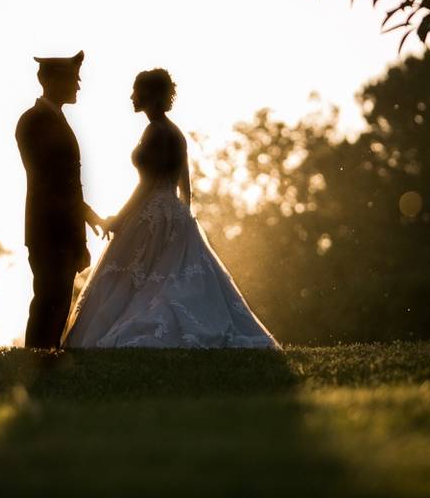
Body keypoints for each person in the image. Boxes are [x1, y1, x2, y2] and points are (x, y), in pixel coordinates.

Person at [62, 68, 281, 349]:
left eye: (136, 91)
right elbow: (185, 186)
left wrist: (118, 219)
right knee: (162, 276)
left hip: (153, 213)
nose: (131, 96)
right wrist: (181, 217)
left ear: (151, 95)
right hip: (172, 212)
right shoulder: (174, 132)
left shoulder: (156, 131)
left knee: (138, 277)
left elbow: (146, 186)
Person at [15, 50, 107, 349]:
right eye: (74, 80)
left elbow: (67, 184)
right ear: (53, 81)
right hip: (49, 228)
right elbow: (52, 183)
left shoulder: (53, 119)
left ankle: (46, 359)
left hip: (63, 228)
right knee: (48, 300)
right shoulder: (33, 121)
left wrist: (85, 224)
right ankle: (37, 360)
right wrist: (86, 219)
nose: (79, 86)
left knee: (58, 301)